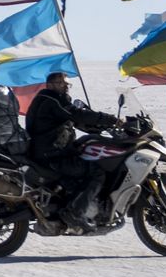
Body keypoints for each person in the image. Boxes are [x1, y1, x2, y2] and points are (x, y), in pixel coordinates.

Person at [25, 72, 121, 230]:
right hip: (53, 155)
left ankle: (68, 208)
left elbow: (70, 119)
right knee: (96, 172)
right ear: (49, 85)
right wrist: (111, 120)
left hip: (46, 152)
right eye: (61, 83)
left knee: (78, 169)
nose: (65, 86)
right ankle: (75, 213)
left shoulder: (44, 99)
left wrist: (95, 125)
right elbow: (76, 114)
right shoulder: (53, 100)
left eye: (67, 84)